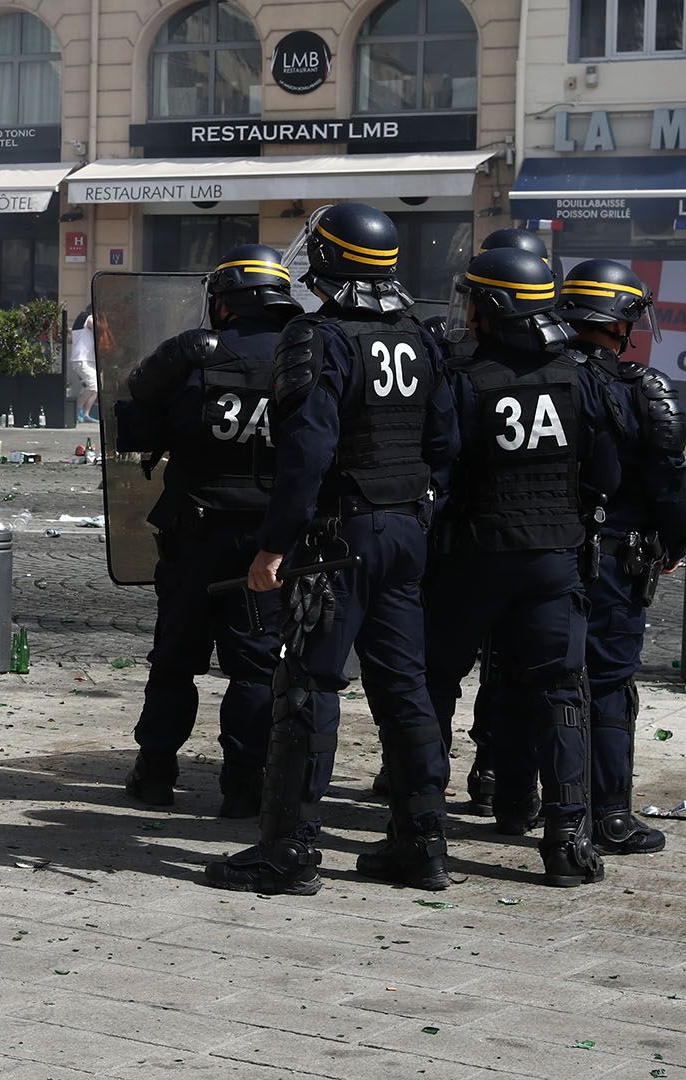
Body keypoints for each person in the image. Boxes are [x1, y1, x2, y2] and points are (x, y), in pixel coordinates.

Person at [203, 203, 458, 896]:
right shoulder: (417, 335)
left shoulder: (316, 336)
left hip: (338, 538)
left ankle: (288, 850)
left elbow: (307, 451)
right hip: (405, 531)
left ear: (327, 260)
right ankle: (423, 842)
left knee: (309, 686)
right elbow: (444, 445)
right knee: (404, 686)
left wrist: (273, 547)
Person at [424, 247, 620, 888]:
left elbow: (442, 465)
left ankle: (421, 830)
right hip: (553, 558)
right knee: (561, 692)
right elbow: (606, 472)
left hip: (473, 557)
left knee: (435, 686)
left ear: (493, 308)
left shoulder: (461, 375)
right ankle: (566, 840)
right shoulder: (580, 373)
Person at [112, 246, 303, 818]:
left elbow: (139, 423)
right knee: (254, 670)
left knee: (174, 661)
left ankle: (155, 775)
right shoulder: (305, 362)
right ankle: (243, 787)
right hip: (268, 542)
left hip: (195, 535)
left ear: (224, 306)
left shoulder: (194, 362)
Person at [560, 260, 686, 856]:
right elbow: (671, 482)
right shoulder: (640, 387)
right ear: (624, 321)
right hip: (613, 560)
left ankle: (515, 798)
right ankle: (610, 814)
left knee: (539, 677)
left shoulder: (538, 377)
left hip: (542, 554)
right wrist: (675, 539)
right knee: (610, 683)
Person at [70, 307, 99, 424]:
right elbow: (97, 327)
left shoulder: (86, 319)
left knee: (96, 390)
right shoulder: (88, 318)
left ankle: (85, 414)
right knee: (92, 387)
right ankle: (77, 409)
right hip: (81, 359)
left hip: (88, 360)